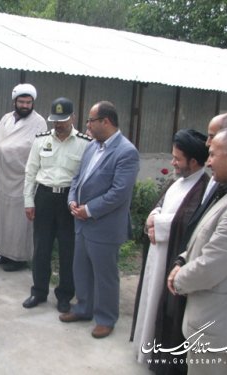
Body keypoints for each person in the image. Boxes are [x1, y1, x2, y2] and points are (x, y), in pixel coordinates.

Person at [148, 112, 227, 374]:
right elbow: (203, 232)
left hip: (216, 320)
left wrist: (178, 280)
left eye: (213, 154)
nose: (208, 161)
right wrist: (182, 258)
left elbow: (213, 264)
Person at [131, 129, 209, 369]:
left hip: (171, 257)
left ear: (193, 162)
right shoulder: (179, 181)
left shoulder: (203, 188)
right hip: (158, 251)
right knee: (150, 299)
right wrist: (154, 217)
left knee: (164, 307)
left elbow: (188, 221)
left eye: (177, 158)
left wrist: (158, 223)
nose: (172, 162)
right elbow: (161, 204)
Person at [61, 101, 139, 339]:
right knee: (81, 269)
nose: (87, 125)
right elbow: (77, 178)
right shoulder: (93, 146)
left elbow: (119, 193)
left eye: (91, 120)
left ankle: (106, 318)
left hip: (104, 226)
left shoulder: (126, 152)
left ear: (106, 121)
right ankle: (83, 308)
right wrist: (72, 200)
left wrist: (90, 210)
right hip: (82, 222)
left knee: (105, 275)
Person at [22, 97, 91, 313]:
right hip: (43, 197)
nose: (58, 124)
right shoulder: (41, 140)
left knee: (67, 249)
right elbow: (30, 172)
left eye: (63, 119)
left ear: (73, 117)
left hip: (68, 200)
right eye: (55, 120)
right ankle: (38, 291)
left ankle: (64, 294)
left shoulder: (84, 143)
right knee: (41, 247)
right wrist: (28, 201)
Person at [0, 83, 47, 271]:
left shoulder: (39, 122)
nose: (25, 106)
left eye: (29, 102)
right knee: (2, 218)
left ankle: (19, 258)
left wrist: (6, 149)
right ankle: (2, 253)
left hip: (21, 178)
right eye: (21, 102)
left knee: (19, 221)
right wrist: (1, 149)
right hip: (1, 176)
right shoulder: (6, 118)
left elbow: (34, 148)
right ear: (14, 102)